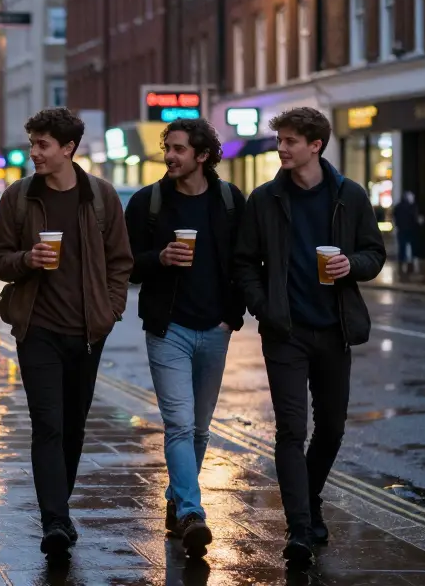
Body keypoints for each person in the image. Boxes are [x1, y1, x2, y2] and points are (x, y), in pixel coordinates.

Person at [232, 107, 385, 565]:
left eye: (290, 141)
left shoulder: (349, 195)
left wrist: (350, 266)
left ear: (315, 145)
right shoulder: (264, 199)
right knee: (290, 431)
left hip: (334, 329)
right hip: (287, 333)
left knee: (333, 428)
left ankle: (309, 497)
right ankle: (298, 529)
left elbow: (374, 253)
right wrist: (265, 308)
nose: (281, 147)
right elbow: (244, 263)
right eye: (280, 139)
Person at [0, 108, 134, 557]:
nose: (34, 152)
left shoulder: (101, 196)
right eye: (33, 143)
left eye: (42, 145)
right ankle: (54, 518)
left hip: (88, 331)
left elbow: (120, 262)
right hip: (38, 328)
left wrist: (109, 312)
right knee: (47, 423)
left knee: (73, 426)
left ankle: (60, 507)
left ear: (68, 148)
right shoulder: (19, 197)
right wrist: (26, 260)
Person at [124, 119, 245, 558]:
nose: (170, 156)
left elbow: (246, 263)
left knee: (199, 428)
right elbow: (125, 264)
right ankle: (193, 512)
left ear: (202, 155)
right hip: (167, 329)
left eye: (178, 149)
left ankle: (176, 502)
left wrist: (231, 318)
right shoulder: (147, 203)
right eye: (167, 148)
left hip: (215, 329)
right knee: (178, 422)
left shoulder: (231, 202)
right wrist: (159, 257)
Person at [392, 191, 422, 273]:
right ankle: (410, 263)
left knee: (402, 247)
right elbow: (415, 219)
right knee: (411, 246)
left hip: (401, 230)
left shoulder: (398, 206)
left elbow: (395, 217)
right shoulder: (412, 207)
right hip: (410, 230)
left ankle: (402, 263)